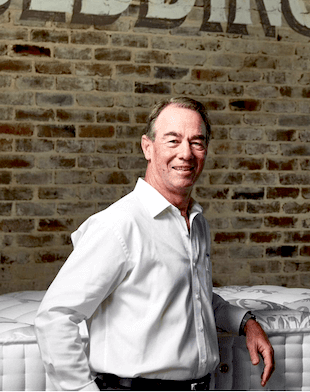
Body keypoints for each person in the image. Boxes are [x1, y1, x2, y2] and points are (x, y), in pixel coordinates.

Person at [35, 97, 274, 391]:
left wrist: (245, 322)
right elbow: (56, 316)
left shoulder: (195, 222)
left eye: (197, 142)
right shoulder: (119, 224)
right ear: (148, 147)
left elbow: (191, 295)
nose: (186, 153)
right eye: (172, 141)